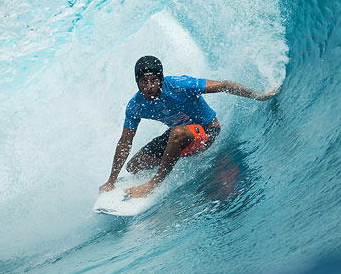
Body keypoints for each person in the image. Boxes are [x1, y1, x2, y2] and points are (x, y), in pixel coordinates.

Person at [100, 55, 278, 198]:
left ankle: (153, 184)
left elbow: (223, 85)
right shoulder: (136, 105)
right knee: (134, 167)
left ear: (161, 80)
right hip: (180, 135)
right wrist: (111, 180)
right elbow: (125, 142)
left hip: (207, 131)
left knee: (177, 133)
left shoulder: (179, 85)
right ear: (136, 82)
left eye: (153, 80)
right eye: (143, 82)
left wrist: (260, 96)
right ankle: (171, 160)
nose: (148, 86)